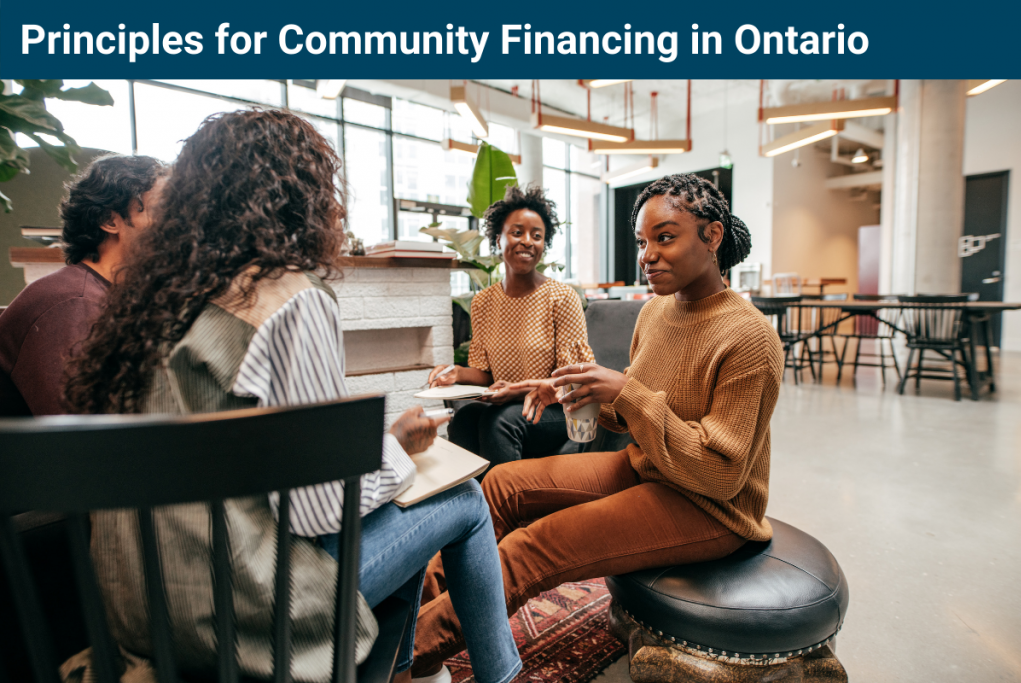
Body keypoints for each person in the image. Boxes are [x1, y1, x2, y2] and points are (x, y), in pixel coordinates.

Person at [63, 110, 520, 683]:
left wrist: (378, 451)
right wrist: (397, 456)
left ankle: (405, 675)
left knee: (399, 506)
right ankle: (500, 676)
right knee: (461, 503)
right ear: (301, 194)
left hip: (141, 609)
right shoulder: (286, 296)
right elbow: (318, 509)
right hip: (242, 615)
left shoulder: (149, 305)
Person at [411, 173, 785, 676]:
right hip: (649, 467)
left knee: (530, 548)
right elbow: (625, 409)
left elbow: (722, 474)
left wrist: (627, 394)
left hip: (710, 507)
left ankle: (393, 654)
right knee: (498, 486)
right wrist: (574, 391)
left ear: (712, 236)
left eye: (665, 237)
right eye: (642, 242)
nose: (647, 255)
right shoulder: (654, 313)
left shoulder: (749, 337)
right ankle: (395, 608)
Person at [426, 184, 594, 471]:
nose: (527, 241)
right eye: (517, 232)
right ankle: (473, 506)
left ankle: (507, 512)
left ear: (544, 244)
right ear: (497, 238)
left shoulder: (562, 297)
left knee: (498, 420)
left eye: (537, 236)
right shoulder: (483, 302)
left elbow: (575, 380)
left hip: (556, 409)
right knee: (466, 418)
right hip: (510, 406)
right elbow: (484, 373)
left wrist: (516, 391)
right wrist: (454, 373)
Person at [0, 154, 165, 416]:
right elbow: (83, 438)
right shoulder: (73, 303)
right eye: (162, 210)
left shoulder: (114, 297)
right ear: (110, 221)